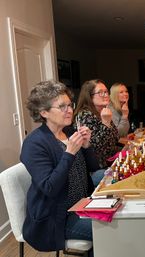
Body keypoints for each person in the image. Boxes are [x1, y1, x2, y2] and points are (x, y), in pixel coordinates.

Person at [20, 80, 99, 254]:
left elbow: (93, 167)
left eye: (69, 105)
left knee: (120, 220)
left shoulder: (69, 131)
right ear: (44, 112)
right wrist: (69, 153)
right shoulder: (34, 144)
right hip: (56, 218)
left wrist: (86, 146)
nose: (69, 110)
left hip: (82, 203)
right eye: (62, 106)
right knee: (109, 229)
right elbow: (50, 187)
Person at [74, 79, 119, 168]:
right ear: (89, 96)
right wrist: (105, 123)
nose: (105, 95)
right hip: (96, 168)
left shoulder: (102, 112)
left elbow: (115, 138)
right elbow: (95, 149)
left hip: (109, 162)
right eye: (100, 92)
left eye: (106, 92)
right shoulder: (84, 115)